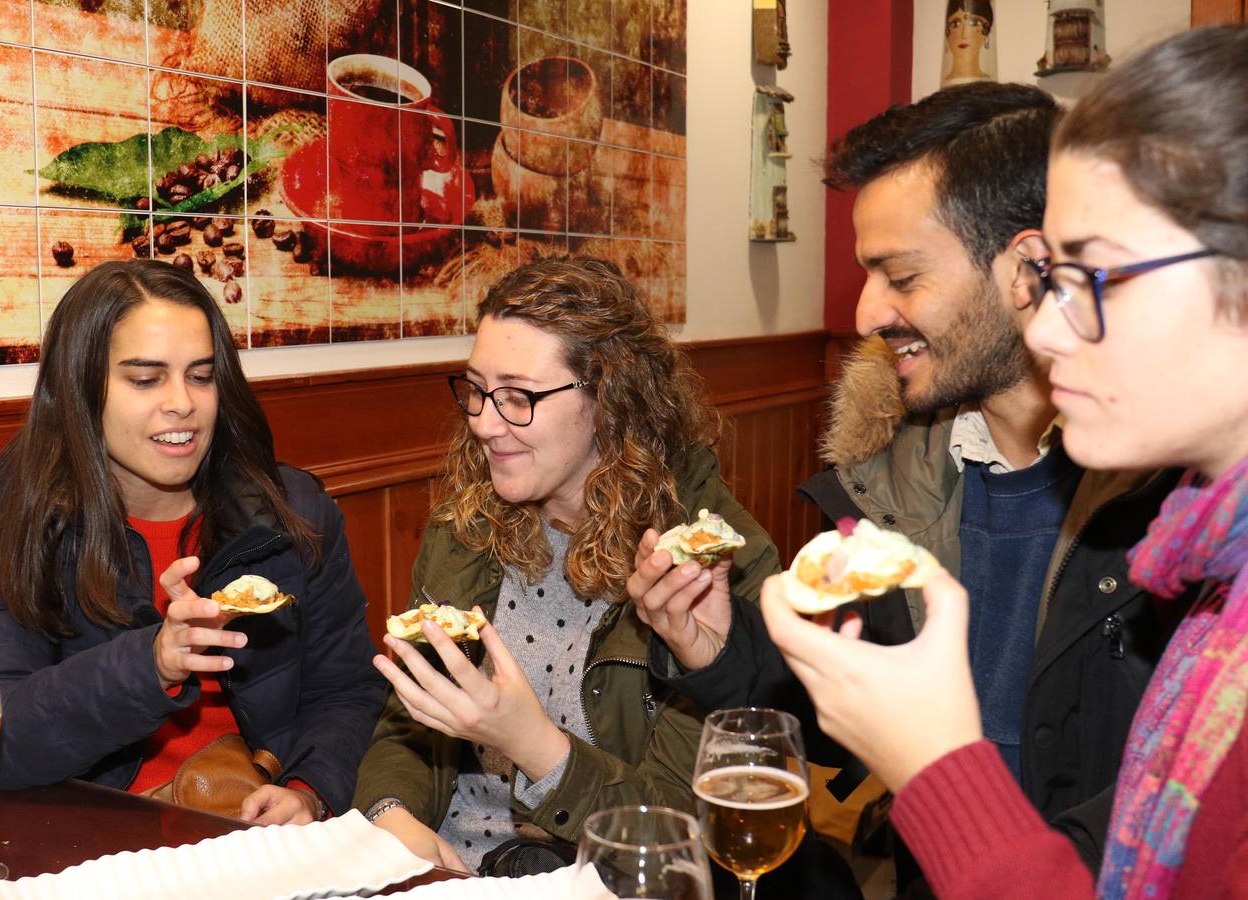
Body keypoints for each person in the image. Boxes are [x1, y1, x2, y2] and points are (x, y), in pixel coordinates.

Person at [631, 80, 1184, 876]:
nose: (864, 314)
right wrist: (715, 644)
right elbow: (840, 717)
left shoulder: (1178, 512)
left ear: (1028, 269)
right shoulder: (889, 488)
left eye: (901, 276)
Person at [761, 25, 1248, 898]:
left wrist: (942, 769)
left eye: (1091, 277)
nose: (1049, 326)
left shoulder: (1166, 535)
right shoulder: (1210, 560)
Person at [350, 256, 780, 873]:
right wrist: (392, 817)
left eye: (519, 396)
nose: (483, 423)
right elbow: (407, 722)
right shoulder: (464, 527)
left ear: (609, 399)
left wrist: (530, 743)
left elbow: (681, 833)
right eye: (476, 391)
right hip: (449, 869)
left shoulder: (712, 568)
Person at [0, 260, 385, 824]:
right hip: (98, 837)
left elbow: (346, 691)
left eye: (200, 375)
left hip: (256, 826)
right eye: (146, 379)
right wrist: (151, 663)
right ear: (81, 388)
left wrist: (307, 791)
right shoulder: (8, 519)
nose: (183, 402)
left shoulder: (292, 510)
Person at [943, 0, 996, 86]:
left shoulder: (988, 84)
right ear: (947, 32)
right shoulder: (945, 88)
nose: (964, 34)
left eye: (974, 23)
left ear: (987, 30)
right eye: (955, 23)